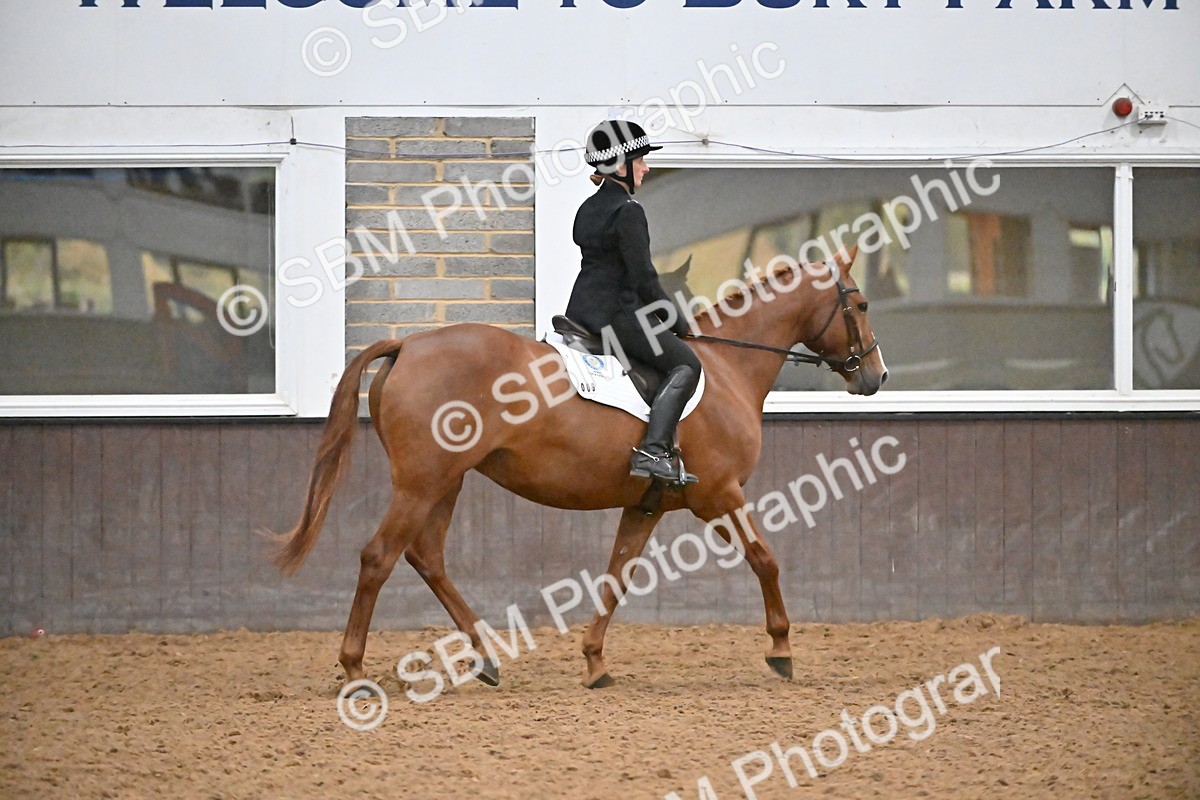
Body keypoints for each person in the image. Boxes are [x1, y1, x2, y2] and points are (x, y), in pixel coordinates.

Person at [565, 119, 702, 484]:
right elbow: (644, 279)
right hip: (616, 316)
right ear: (620, 165)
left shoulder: (587, 209)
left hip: (580, 311)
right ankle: (654, 451)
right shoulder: (628, 211)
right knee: (687, 364)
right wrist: (678, 321)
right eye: (640, 159)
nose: (647, 167)